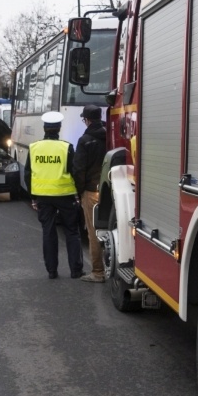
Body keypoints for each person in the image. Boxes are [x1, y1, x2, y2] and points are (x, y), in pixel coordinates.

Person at [25, 111, 83, 279]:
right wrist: (78, 194)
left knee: (48, 232)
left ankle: (52, 271)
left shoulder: (34, 148)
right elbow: (74, 172)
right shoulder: (66, 147)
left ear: (44, 128)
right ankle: (76, 270)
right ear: (59, 128)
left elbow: (28, 174)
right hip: (65, 195)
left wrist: (33, 197)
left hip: (43, 196)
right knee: (72, 232)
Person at [73, 105, 107, 283]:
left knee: (93, 233)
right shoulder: (110, 136)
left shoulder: (84, 140)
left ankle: (98, 271)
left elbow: (79, 170)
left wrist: (79, 193)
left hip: (91, 191)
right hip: (110, 192)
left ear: (86, 120)